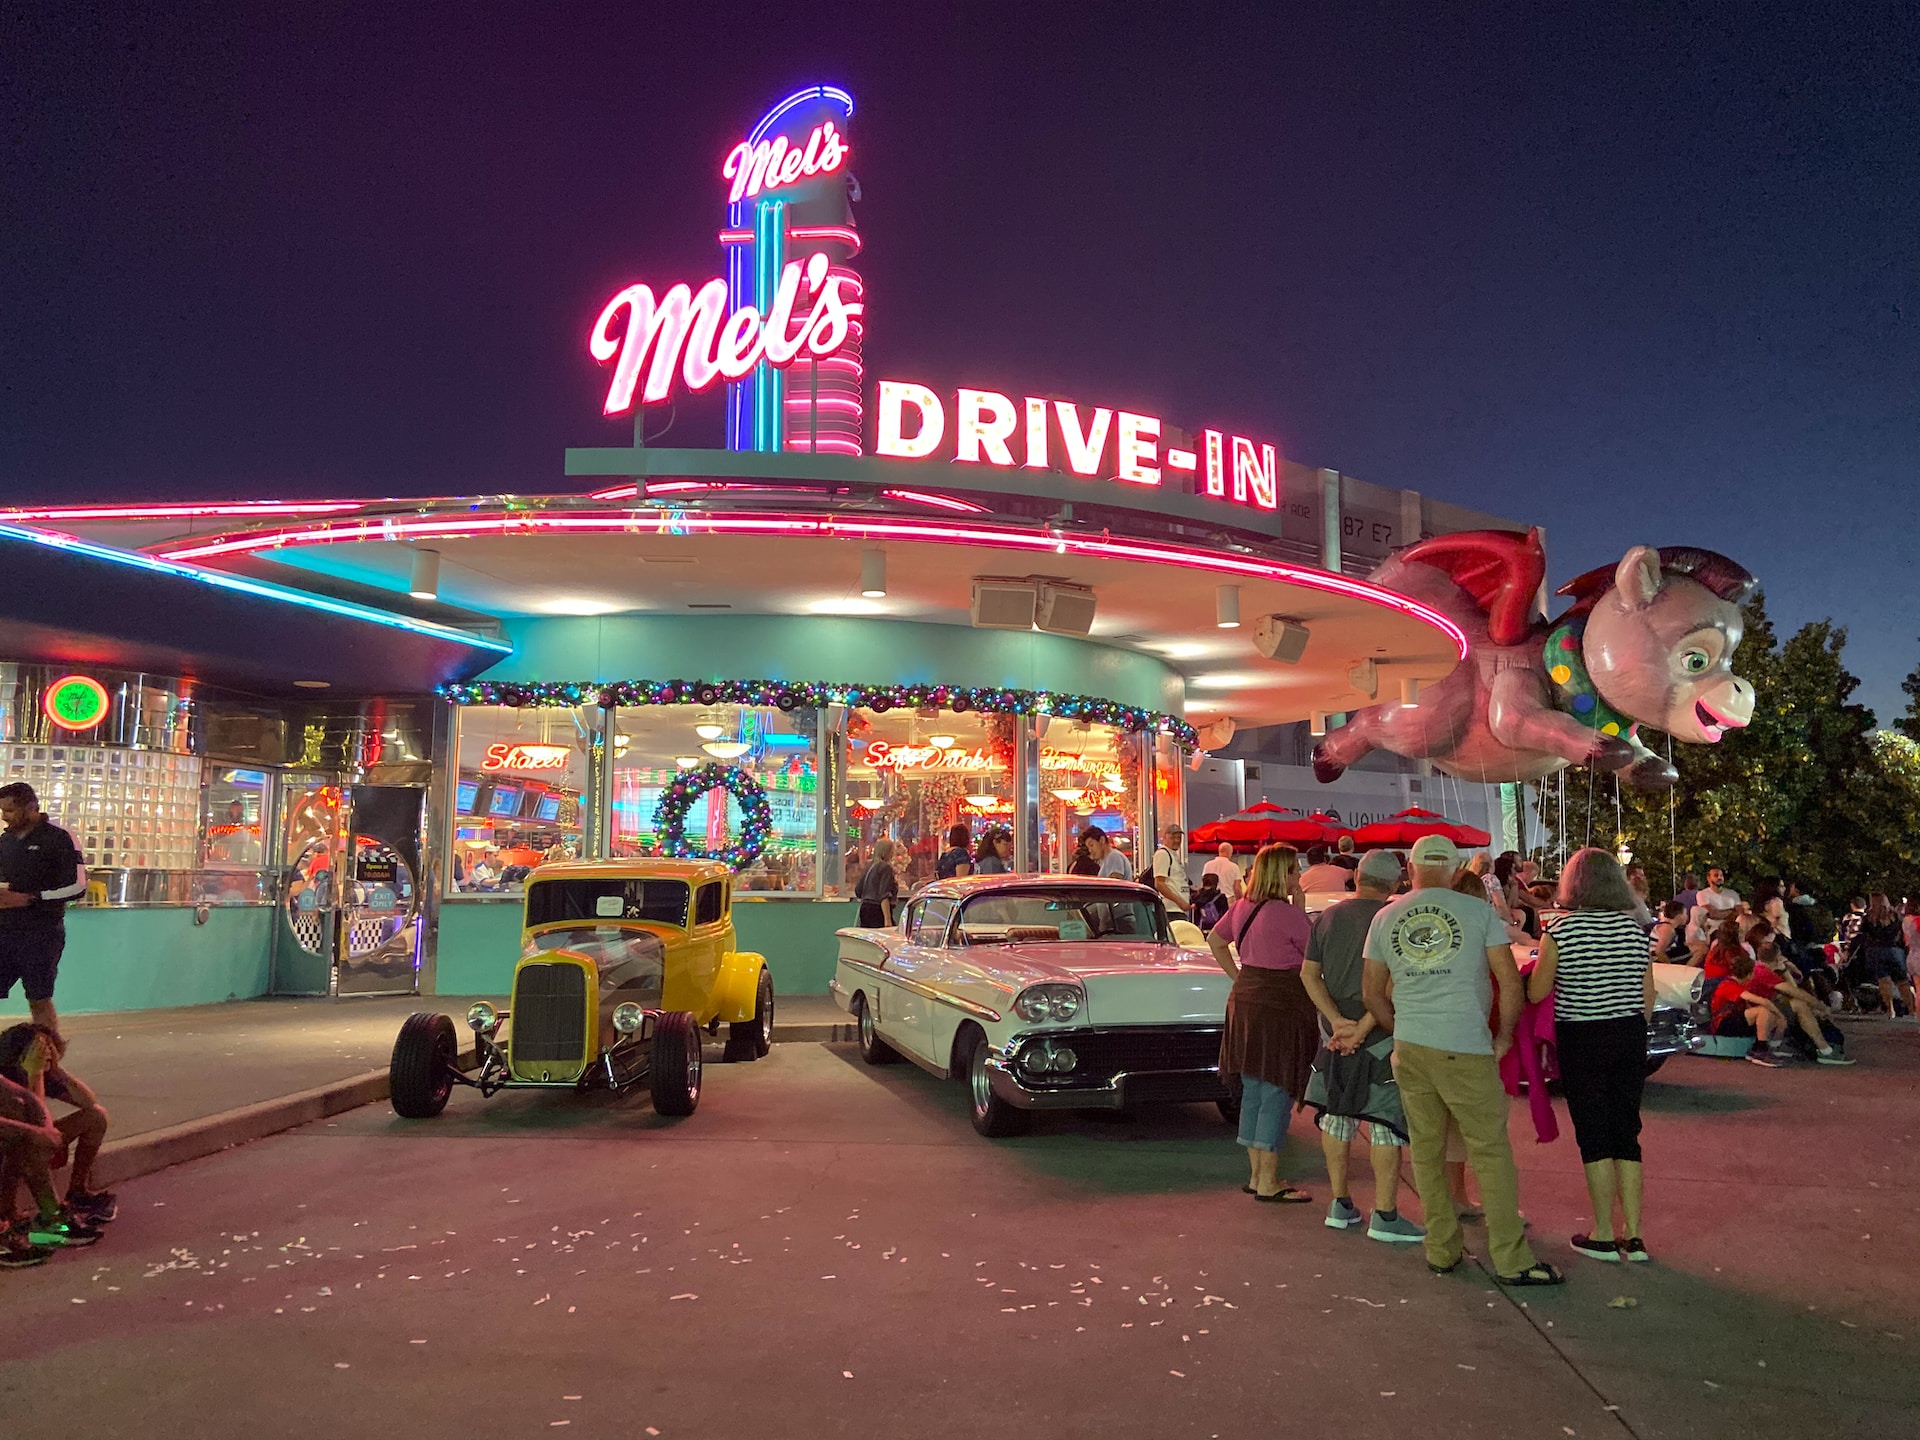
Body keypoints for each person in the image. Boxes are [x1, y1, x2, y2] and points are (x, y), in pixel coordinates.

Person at [1362, 835, 1561, 1286]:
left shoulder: (1384, 917)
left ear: (1410, 870)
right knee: (1489, 1152)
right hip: (1466, 1043)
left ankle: (1442, 1249)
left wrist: (1402, 1028)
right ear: (1455, 871)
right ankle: (1511, 1259)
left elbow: (1372, 992)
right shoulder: (1476, 913)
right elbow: (1508, 982)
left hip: (1411, 1047)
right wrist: (1504, 1037)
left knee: (1427, 1153)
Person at [1524, 849, 1656, 1263]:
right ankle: (1634, 1236)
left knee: (1594, 1134)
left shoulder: (1561, 931)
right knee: (1626, 1131)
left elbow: (1538, 991)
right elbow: (1647, 996)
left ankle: (1603, 1232)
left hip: (1582, 1036)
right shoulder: (1636, 929)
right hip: (1629, 1034)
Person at [1300, 849, 1423, 1243]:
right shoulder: (1395, 919)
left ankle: (1340, 1203)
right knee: (1386, 1122)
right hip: (1382, 1035)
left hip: (1333, 1035)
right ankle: (1385, 1214)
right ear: (1395, 883)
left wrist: (1337, 1022)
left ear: (1356, 875)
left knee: (1337, 1116)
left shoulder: (1328, 917)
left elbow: (1309, 974)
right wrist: (1364, 1025)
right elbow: (1392, 983)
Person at [1207, 845, 1319, 1204]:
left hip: (1246, 1000)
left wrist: (1237, 975)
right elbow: (1313, 955)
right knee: (1276, 1089)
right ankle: (1269, 1180)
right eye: (1293, 870)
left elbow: (1215, 939)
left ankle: (1257, 1175)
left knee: (1254, 1091)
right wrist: (1300, 911)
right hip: (1279, 1006)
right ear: (1279, 874)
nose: (1297, 876)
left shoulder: (1242, 907)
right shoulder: (1287, 914)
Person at [0, 1024, 106, 1258]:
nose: (46, 1051)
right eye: (40, 1046)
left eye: (49, 1046)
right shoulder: (6, 1078)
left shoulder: (42, 1071)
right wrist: (34, 1075)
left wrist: (57, 1070)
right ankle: (35, 1218)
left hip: (22, 1142)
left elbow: (88, 1101)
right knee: (32, 1145)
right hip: (11, 1150)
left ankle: (77, 1192)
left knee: (95, 1117)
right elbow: (36, 1125)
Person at [0, 782, 88, 1041]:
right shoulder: (5, 841)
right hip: (5, 930)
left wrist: (31, 898)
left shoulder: (59, 837)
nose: (5, 817)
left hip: (41, 933)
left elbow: (78, 886)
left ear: (31, 807)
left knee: (38, 997)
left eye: (11, 810)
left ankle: (48, 1059)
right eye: (2, 811)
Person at [1744, 942, 1852, 1065]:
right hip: (1762, 1012)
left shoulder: (1760, 969)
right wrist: (1820, 1005)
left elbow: (1796, 982)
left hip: (1766, 1009)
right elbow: (1794, 991)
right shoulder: (1763, 972)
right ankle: (1824, 1049)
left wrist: (1786, 969)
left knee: (1800, 1004)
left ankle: (1821, 1047)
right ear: (1777, 957)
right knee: (1799, 1004)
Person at [1850, 893, 1912, 1019]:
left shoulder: (1869, 917)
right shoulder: (1895, 915)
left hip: (1876, 951)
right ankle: (1912, 1010)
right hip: (1894, 950)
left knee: (1883, 981)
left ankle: (1890, 1010)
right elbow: (1902, 932)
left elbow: (1863, 935)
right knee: (1902, 982)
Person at [853, 839, 901, 928]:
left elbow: (858, 891)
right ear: (887, 852)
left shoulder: (868, 866)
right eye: (892, 851)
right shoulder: (886, 868)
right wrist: (887, 919)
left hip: (865, 909)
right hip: (878, 911)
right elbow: (884, 894)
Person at [1149, 824, 1189, 913]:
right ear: (1165, 838)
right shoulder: (1163, 854)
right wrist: (1180, 902)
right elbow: (1159, 883)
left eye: (1179, 838)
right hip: (1171, 910)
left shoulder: (1173, 855)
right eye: (1173, 837)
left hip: (1177, 910)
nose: (1177, 840)